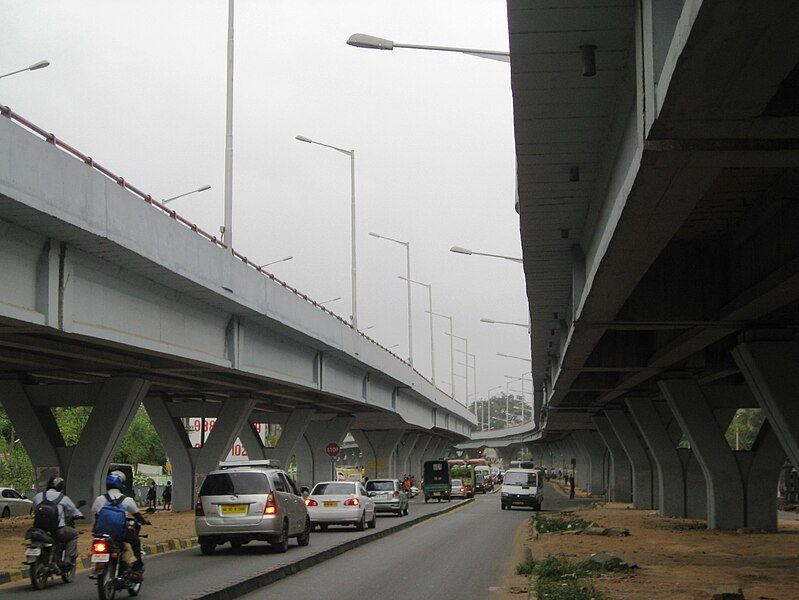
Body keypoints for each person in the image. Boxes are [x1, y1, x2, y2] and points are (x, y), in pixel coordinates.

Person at [92, 471, 150, 581]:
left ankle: (97, 567)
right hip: (119, 533)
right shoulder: (127, 500)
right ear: (121, 485)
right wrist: (144, 521)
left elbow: (95, 513)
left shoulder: (99, 499)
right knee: (135, 542)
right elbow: (137, 515)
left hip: (101, 534)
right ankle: (137, 570)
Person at [32, 476, 83, 567]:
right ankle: (67, 559)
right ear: (61, 487)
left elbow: (35, 510)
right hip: (57, 529)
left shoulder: (38, 496)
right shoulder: (63, 498)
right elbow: (73, 511)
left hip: (39, 529)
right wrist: (79, 515)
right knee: (74, 534)